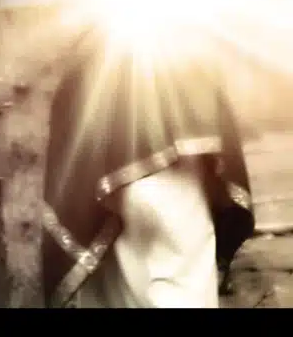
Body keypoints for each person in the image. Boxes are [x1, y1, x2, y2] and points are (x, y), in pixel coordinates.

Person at [42, 31, 255, 308]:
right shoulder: (183, 40)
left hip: (105, 180)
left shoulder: (93, 44)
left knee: (114, 289)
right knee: (180, 284)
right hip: (177, 174)